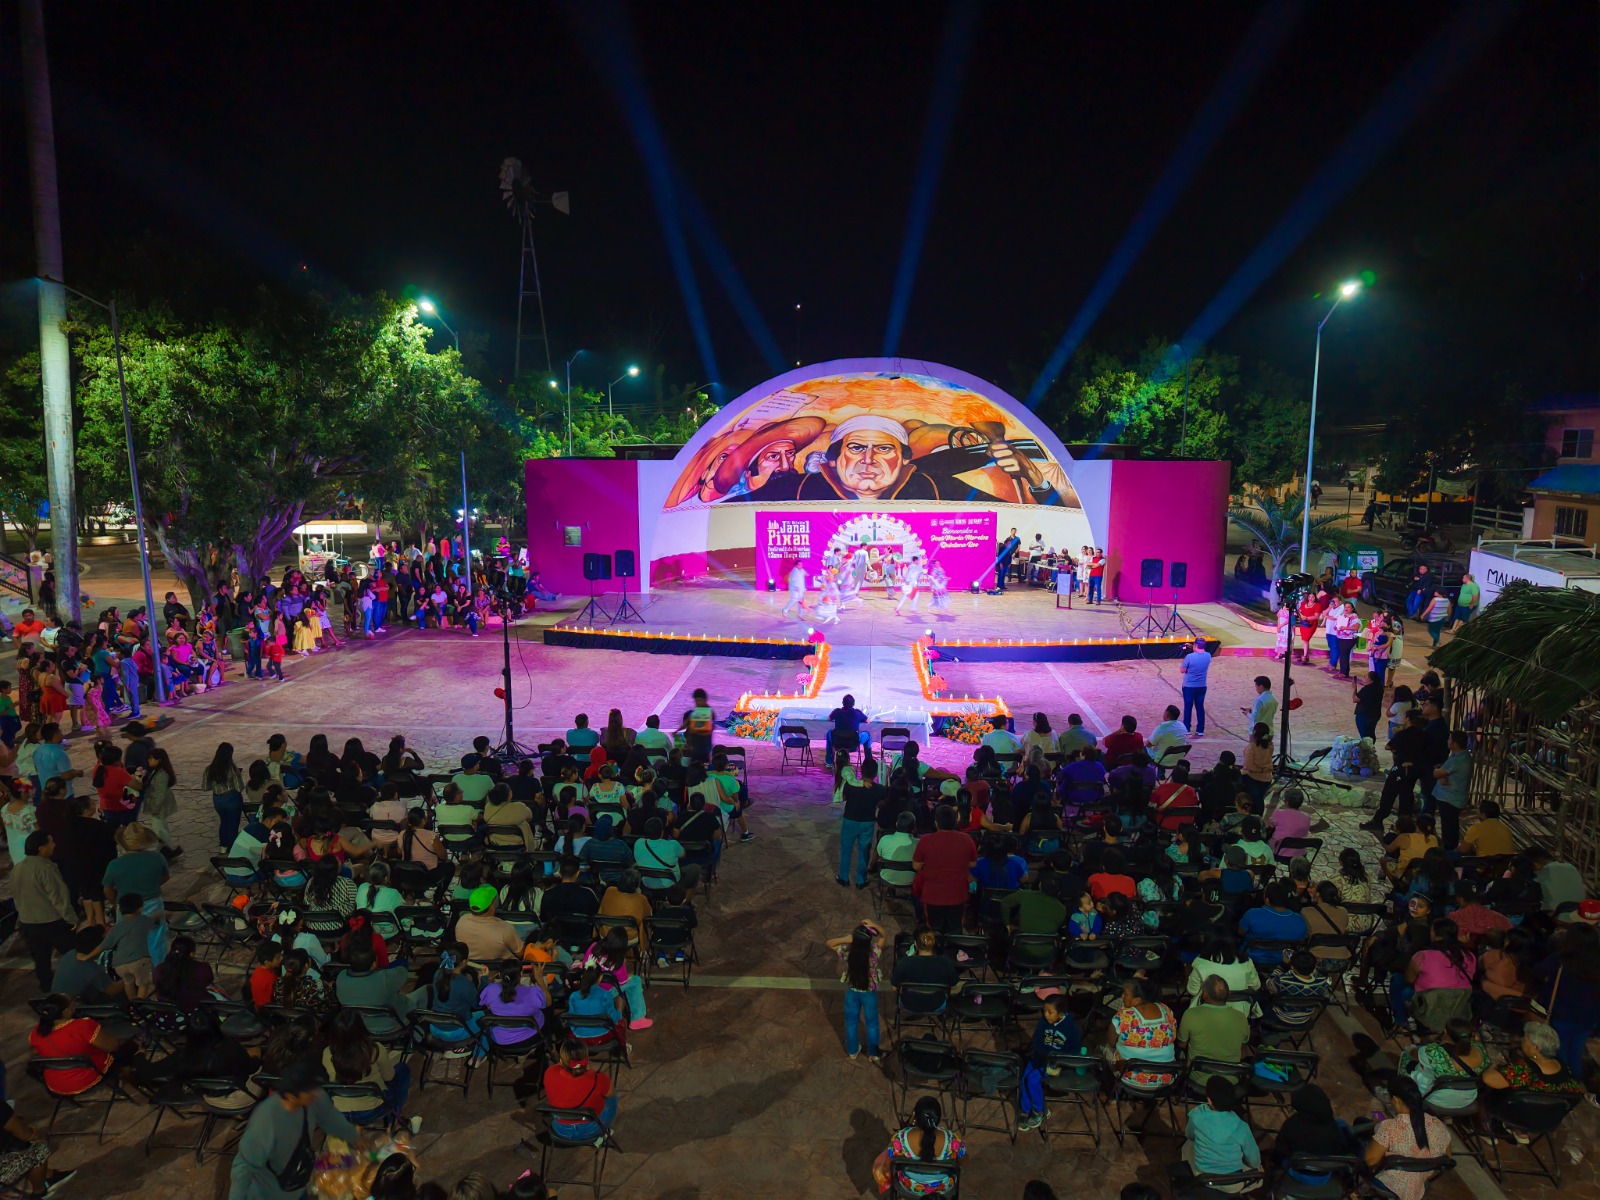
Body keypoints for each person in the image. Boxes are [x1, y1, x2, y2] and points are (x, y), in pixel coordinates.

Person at [229, 1057, 361, 1200]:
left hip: (299, 1183)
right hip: (269, 1192)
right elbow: (244, 1167)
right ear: (292, 1096)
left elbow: (332, 1119)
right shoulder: (266, 1120)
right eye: (311, 1090)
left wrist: (355, 1138)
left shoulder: (313, 1097)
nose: (316, 1093)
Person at [1364, 1076, 1449, 1200]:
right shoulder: (1438, 1124)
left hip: (1389, 1184)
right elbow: (1447, 1157)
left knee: (1362, 1132)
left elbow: (1370, 1161)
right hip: (1419, 1183)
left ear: (1395, 1100)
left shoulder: (1389, 1128)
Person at [875, 1096, 965, 1196]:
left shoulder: (899, 1138)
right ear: (938, 1118)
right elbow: (964, 1162)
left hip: (910, 1188)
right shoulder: (952, 1139)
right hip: (942, 1189)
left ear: (915, 1115)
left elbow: (890, 1163)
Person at [1017, 993, 1082, 1131]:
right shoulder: (1043, 1022)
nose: (1046, 1014)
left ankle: (1040, 1111)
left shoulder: (1072, 1028)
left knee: (1033, 1080)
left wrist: (1057, 1060)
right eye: (1044, 1011)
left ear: (1061, 1014)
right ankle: (1026, 1109)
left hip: (1056, 1064)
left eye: (1050, 1012)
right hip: (1040, 1058)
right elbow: (1036, 1040)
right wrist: (1042, 1053)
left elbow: (1074, 1051)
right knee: (1024, 1078)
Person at [1184, 1076, 1259, 1190]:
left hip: (1203, 1176)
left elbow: (1189, 1135)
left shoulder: (1196, 1115)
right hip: (1234, 1182)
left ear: (1209, 1100)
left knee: (1187, 1145)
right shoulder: (1242, 1126)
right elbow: (1253, 1158)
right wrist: (1256, 1166)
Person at [826, 920, 885, 1062]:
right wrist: (875, 925)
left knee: (851, 1023)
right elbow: (884, 936)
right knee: (872, 1024)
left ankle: (852, 1051)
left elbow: (829, 943)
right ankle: (874, 1053)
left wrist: (845, 939)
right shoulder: (874, 953)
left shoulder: (847, 953)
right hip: (869, 992)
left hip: (852, 991)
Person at [912, 805, 977, 932]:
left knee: (934, 929)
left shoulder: (925, 840)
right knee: (955, 927)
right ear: (955, 821)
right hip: (958, 893)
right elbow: (973, 864)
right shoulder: (966, 839)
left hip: (933, 895)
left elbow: (916, 866)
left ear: (936, 823)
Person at [540, 1038, 617, 1143]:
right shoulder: (599, 1078)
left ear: (562, 1061)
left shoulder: (549, 1072)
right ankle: (603, 1132)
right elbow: (611, 1094)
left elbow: (558, 1067)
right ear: (586, 1059)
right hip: (592, 1129)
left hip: (561, 1130)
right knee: (612, 1095)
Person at [837, 757, 884, 888]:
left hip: (850, 821)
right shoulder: (879, 789)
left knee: (846, 849)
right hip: (867, 823)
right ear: (875, 773)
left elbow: (843, 796)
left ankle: (843, 877)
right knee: (864, 851)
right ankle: (860, 880)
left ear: (861, 771)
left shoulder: (851, 786)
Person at [1430, 731, 1471, 851]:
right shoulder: (1460, 755)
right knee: (1451, 826)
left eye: (1449, 739)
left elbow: (1437, 773)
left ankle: (1449, 854)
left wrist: (1438, 771)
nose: (1447, 741)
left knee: (1449, 829)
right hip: (1453, 797)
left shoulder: (1458, 760)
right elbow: (1443, 773)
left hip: (1450, 798)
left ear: (1455, 743)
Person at [826, 694, 869, 766]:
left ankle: (829, 761)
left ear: (842, 703)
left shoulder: (836, 711)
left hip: (838, 743)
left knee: (829, 733)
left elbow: (829, 719)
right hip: (853, 743)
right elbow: (867, 721)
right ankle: (868, 761)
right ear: (854, 703)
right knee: (867, 736)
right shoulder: (857, 712)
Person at [1180, 638, 1211, 737]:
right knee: (1200, 707)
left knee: (1188, 708)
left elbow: (1182, 670)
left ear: (1195, 646)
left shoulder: (1189, 657)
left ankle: (1187, 729)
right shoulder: (1208, 655)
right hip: (1202, 686)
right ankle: (1200, 729)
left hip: (1189, 686)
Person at [1352, 669, 1384, 742]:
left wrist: (1354, 688)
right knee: (1371, 733)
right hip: (1375, 714)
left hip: (1365, 715)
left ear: (1370, 679)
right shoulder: (1379, 687)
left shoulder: (1366, 690)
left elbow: (1355, 699)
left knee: (1365, 735)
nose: (1364, 678)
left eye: (1366, 677)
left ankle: (1368, 750)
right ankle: (1371, 747)